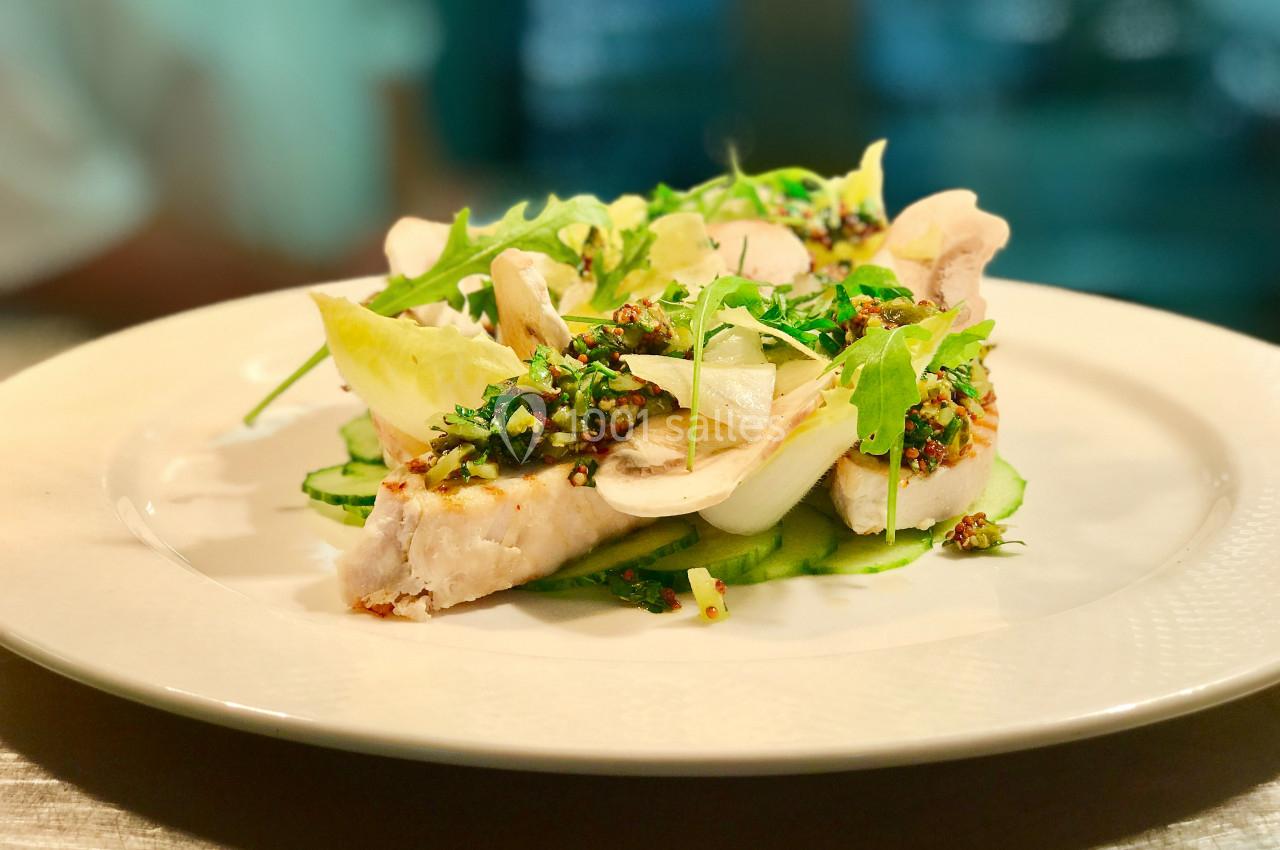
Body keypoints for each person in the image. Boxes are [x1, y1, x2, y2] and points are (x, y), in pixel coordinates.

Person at [0, 0, 452, 327]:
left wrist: (408, 229)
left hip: (369, 315)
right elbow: (55, 235)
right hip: (117, 356)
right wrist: (337, 300)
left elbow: (386, 49)